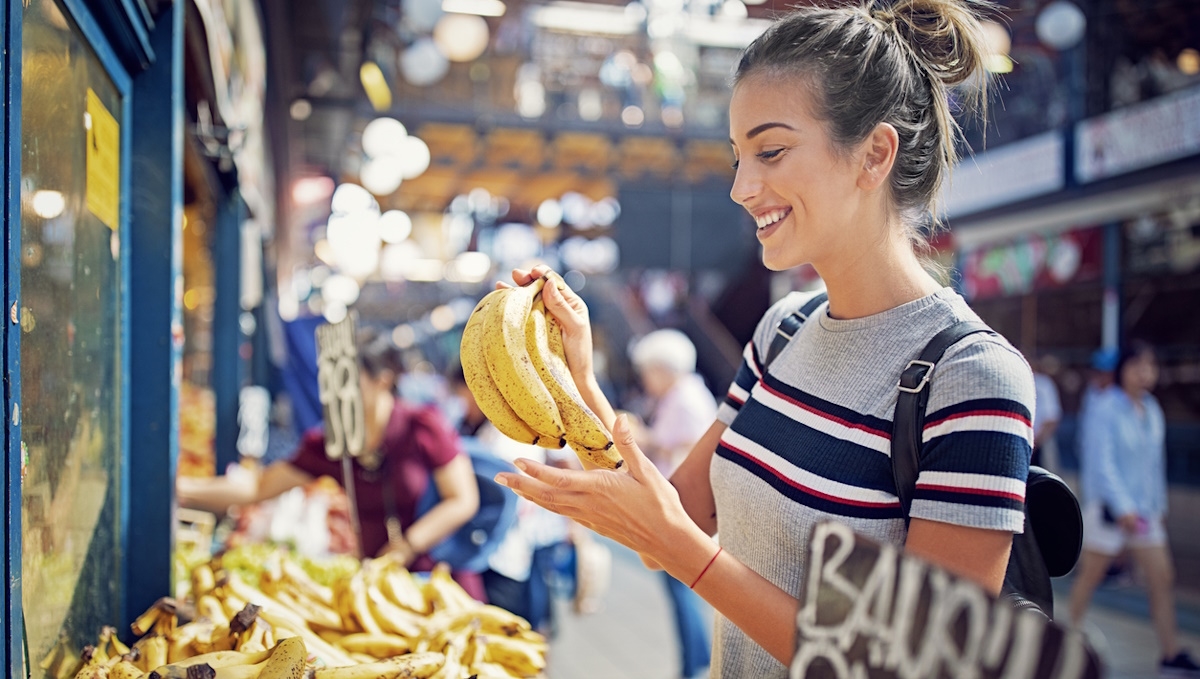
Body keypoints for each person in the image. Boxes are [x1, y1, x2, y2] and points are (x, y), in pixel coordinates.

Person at [495, 2, 1036, 677]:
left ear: (874, 153)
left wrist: (690, 552)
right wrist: (576, 372)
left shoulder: (972, 376)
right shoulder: (781, 333)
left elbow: (919, 664)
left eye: (770, 151)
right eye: (739, 155)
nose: (742, 187)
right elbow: (668, 522)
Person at [177, 331, 485, 599]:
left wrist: (406, 546)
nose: (337, 389)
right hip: (378, 589)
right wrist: (182, 490)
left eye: (349, 378)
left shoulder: (422, 426)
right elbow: (258, 486)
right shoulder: (330, 443)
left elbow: (462, 500)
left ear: (382, 379)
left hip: (440, 580)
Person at [1068, 342, 1199, 674]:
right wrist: (1122, 507)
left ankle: (1170, 654)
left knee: (1162, 578)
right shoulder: (1105, 407)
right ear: (1122, 370)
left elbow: (1154, 464)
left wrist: (1158, 506)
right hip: (1112, 513)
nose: (1145, 373)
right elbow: (1102, 462)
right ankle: (1067, 642)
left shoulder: (1152, 409)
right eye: (1137, 365)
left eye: (1150, 366)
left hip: (1146, 515)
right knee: (1091, 577)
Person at [447, 365, 571, 633]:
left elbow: (515, 497)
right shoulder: (477, 428)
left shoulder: (508, 438)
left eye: (463, 393)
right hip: (492, 551)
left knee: (510, 630)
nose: (461, 401)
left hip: (505, 554)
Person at [628, 329, 716, 679]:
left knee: (681, 590)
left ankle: (694, 663)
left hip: (684, 507)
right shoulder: (685, 395)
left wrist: (642, 437)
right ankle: (693, 661)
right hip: (682, 503)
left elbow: (688, 449)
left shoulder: (686, 398)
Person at [1031, 354, 1063, 470]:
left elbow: (1052, 418)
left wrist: (1036, 442)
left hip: (1042, 444)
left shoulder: (1044, 384)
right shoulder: (1016, 382)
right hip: (1021, 443)